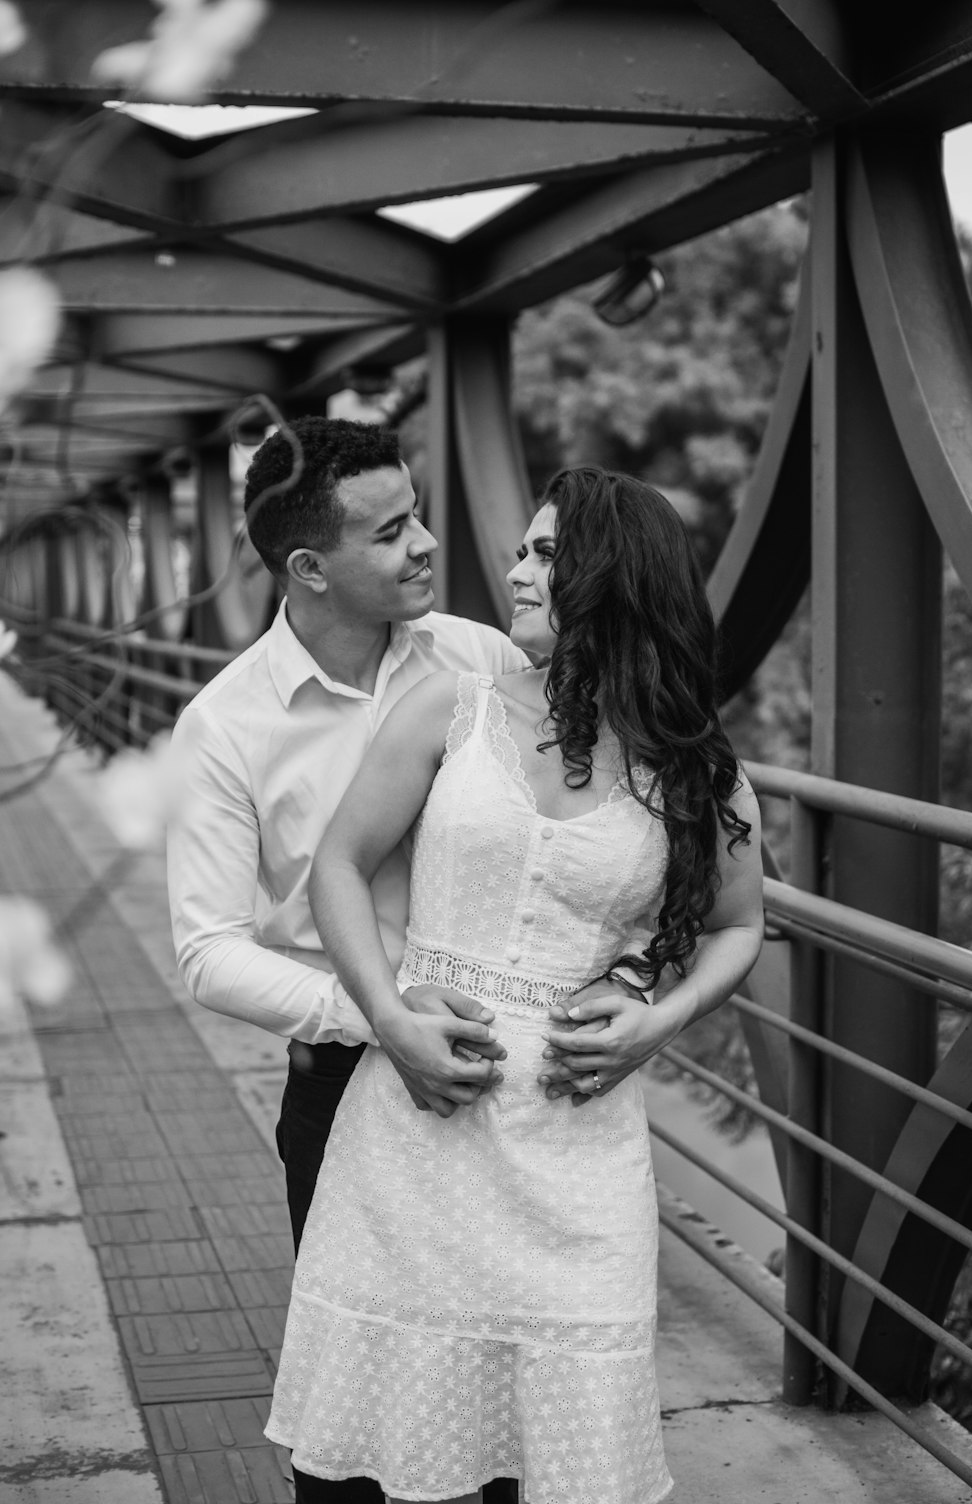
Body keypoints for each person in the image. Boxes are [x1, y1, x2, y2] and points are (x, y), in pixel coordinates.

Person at [266, 466, 765, 1503]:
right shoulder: (454, 704)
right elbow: (340, 867)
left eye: (544, 553)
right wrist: (392, 1019)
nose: (514, 571)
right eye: (524, 549)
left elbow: (736, 922)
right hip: (417, 1132)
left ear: (610, 577)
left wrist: (658, 1021)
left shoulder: (691, 766)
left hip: (576, 1151)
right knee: (362, 1469)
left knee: (555, 1464)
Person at [167, 416, 538, 1504]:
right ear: (309, 568)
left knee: (506, 1389)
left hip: (499, 1065)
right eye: (391, 531)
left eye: (419, 512)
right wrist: (379, 1016)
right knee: (357, 1411)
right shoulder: (226, 725)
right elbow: (205, 952)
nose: (425, 542)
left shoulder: (485, 659)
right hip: (341, 1086)